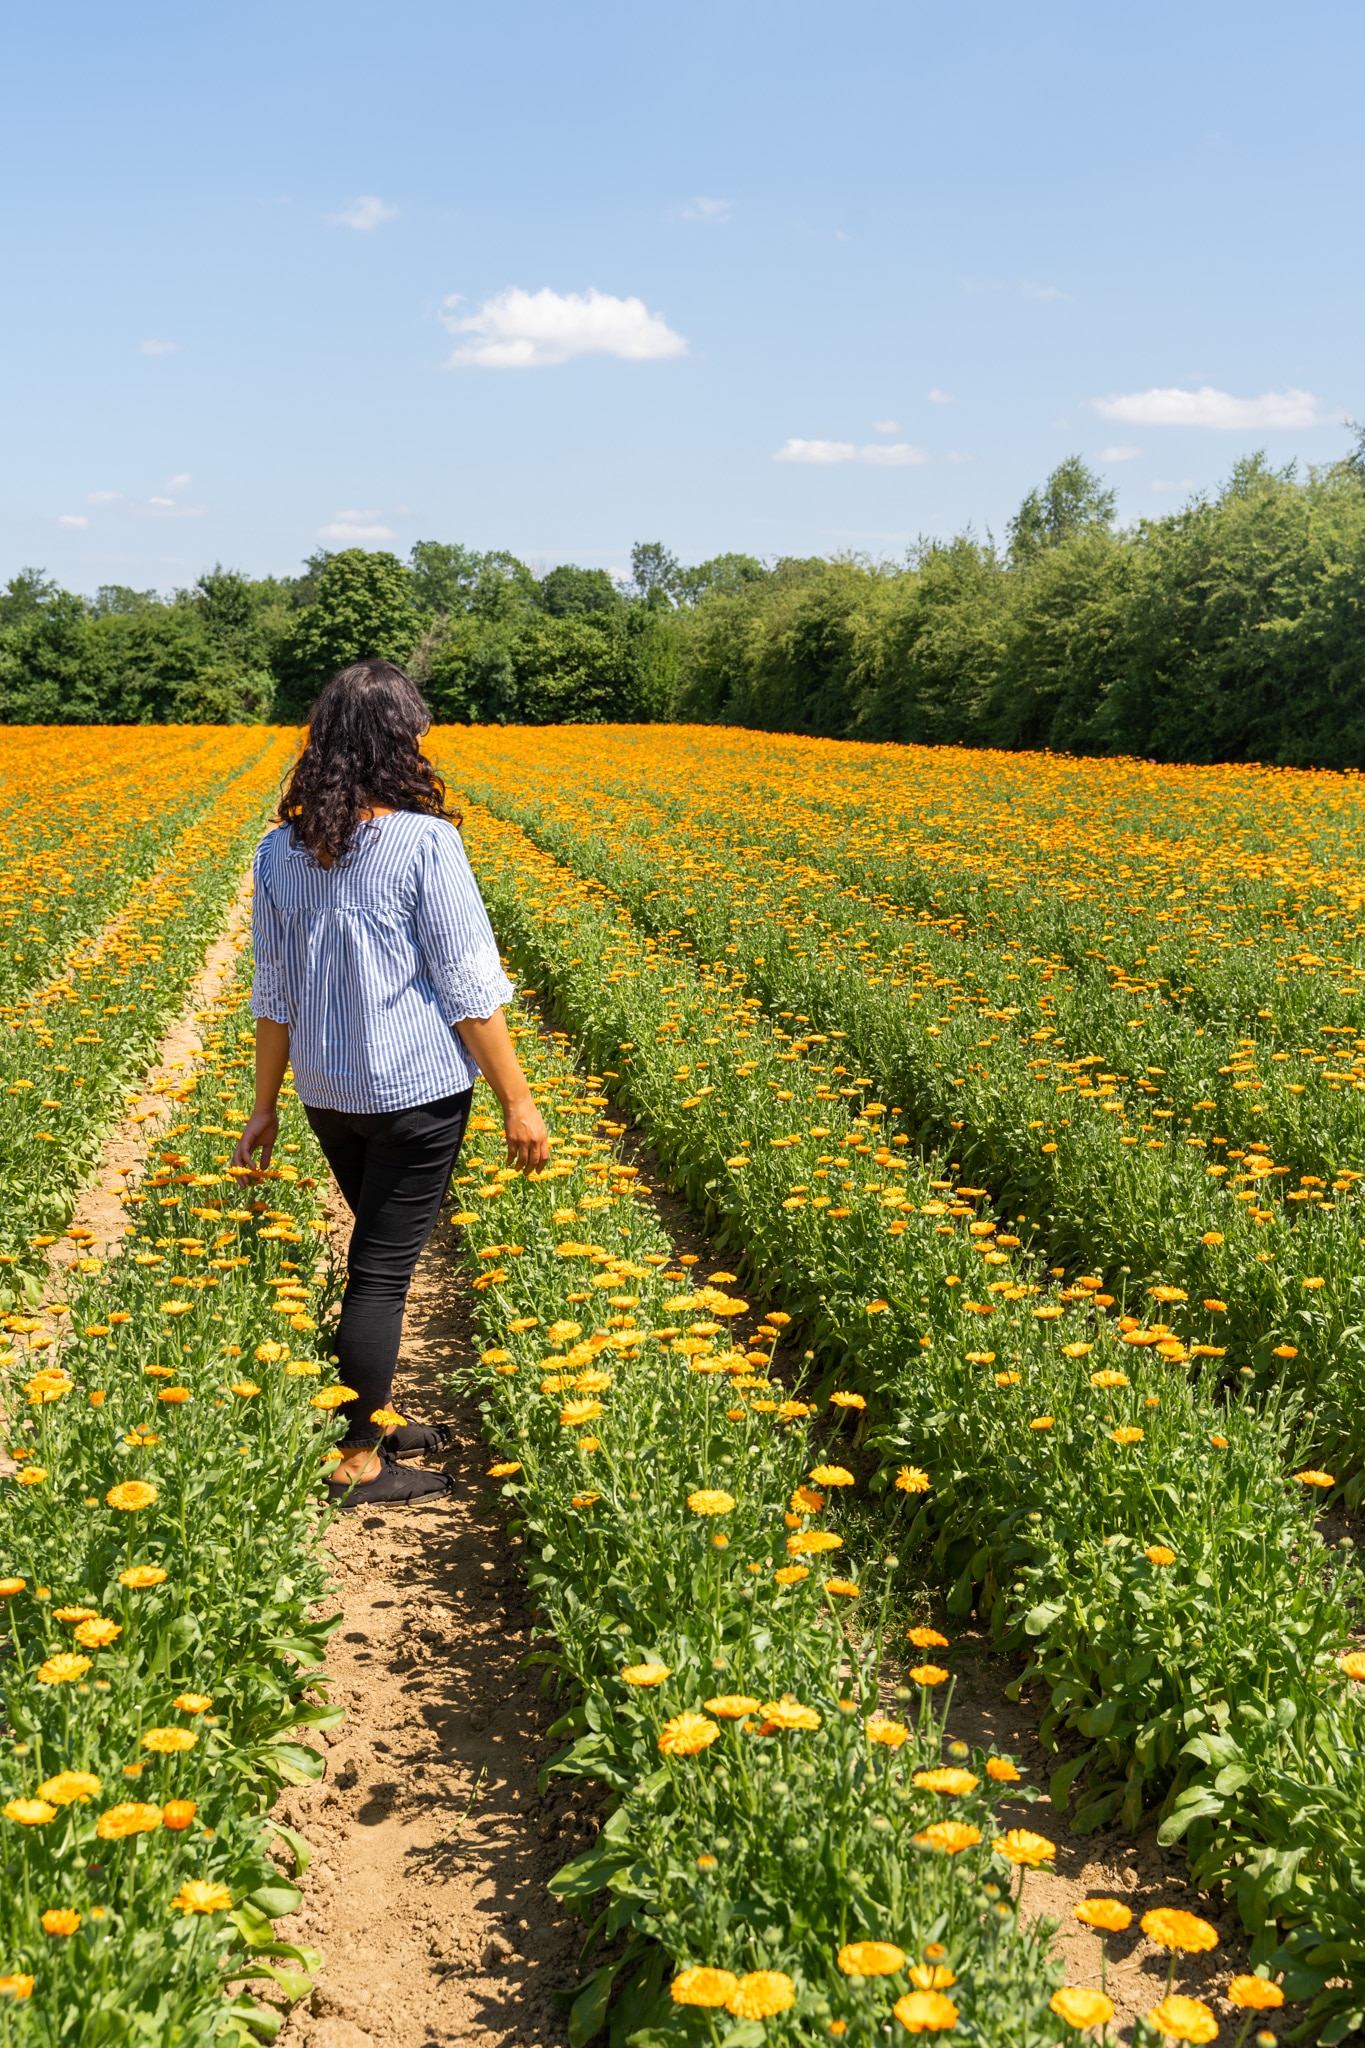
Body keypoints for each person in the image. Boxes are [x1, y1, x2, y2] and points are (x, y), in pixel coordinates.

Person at [232, 659, 549, 1507]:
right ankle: (359, 1461)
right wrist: (519, 1098)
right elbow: (468, 988)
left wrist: (263, 1108)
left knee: (373, 1256)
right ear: (397, 742)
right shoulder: (424, 843)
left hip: (328, 1095)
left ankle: (375, 1414)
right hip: (414, 1093)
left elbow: (274, 992)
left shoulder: (278, 852)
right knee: (379, 1273)